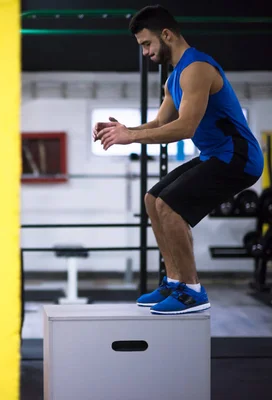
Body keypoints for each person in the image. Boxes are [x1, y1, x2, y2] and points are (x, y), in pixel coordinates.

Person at [93, 5, 263, 314]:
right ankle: (174, 281)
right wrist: (124, 129)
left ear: (167, 35)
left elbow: (186, 127)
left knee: (170, 206)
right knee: (152, 199)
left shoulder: (197, 68)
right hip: (216, 155)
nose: (145, 52)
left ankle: (192, 291)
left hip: (240, 157)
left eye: (147, 44)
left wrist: (131, 137)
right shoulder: (174, 78)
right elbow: (161, 124)